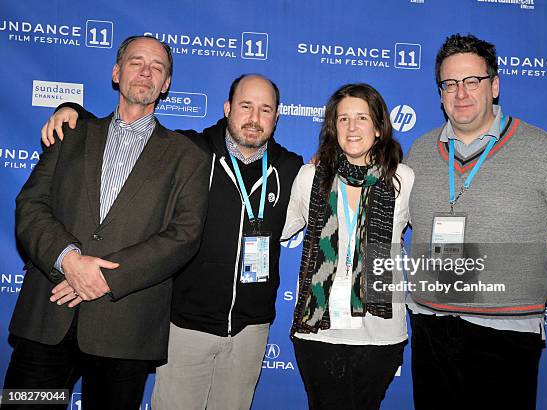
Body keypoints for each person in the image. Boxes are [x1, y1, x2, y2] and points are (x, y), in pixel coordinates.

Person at [40, 74, 303, 410]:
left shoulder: (292, 167)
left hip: (250, 331)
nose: (254, 118)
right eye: (245, 106)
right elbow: (126, 133)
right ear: (227, 109)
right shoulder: (187, 150)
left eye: (265, 110)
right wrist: (72, 110)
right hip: (185, 326)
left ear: (277, 116)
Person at [3, 35, 210, 409]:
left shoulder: (188, 157)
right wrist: (69, 260)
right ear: (117, 72)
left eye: (157, 68)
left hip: (124, 332)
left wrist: (102, 277)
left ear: (166, 85)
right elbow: (30, 205)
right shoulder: (70, 135)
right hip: (47, 320)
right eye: (136, 62)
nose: (145, 72)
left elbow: (184, 236)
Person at [404, 34, 547, 410]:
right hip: (430, 325)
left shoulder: (541, 150)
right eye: (450, 84)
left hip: (506, 331)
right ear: (440, 93)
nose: (461, 93)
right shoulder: (420, 151)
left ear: (494, 85)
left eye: (472, 81)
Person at [282, 83, 414, 410]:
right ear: (333, 127)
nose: (352, 128)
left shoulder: (405, 180)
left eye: (362, 118)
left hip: (380, 332)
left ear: (380, 128)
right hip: (319, 333)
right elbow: (279, 229)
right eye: (343, 119)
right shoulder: (311, 177)